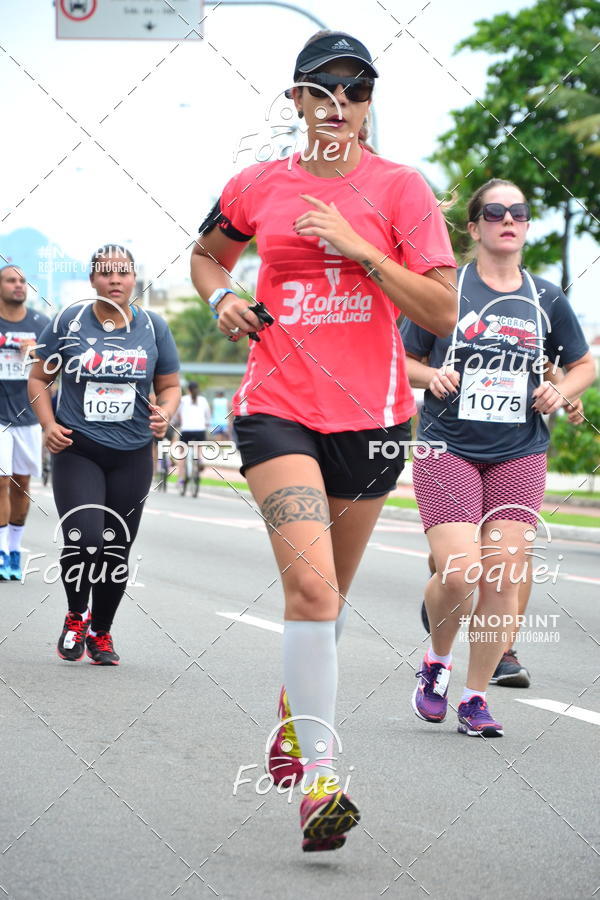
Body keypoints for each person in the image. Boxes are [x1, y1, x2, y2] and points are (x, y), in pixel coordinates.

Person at [191, 30, 457, 850]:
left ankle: (293, 715)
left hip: (372, 420)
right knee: (311, 591)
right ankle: (321, 783)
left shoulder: (402, 190)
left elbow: (440, 311)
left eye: (356, 90)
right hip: (278, 407)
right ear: (297, 100)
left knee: (328, 599)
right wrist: (223, 297)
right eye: (323, 89)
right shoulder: (257, 183)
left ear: (370, 103)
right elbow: (207, 255)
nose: (339, 104)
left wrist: (361, 248)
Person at [400, 178, 595, 736]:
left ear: (527, 225)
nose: (508, 219)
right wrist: (430, 375)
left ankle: (475, 698)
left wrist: (561, 391)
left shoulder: (546, 297)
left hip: (519, 451)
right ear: (473, 226)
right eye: (494, 211)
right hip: (448, 446)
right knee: (461, 573)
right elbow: (399, 359)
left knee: (505, 577)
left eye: (519, 211)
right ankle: (436, 663)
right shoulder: (445, 290)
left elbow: (582, 364)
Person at [28, 245, 181, 665]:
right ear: (92, 279)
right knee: (86, 538)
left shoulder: (153, 327)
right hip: (78, 449)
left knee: (116, 548)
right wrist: (48, 424)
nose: (115, 279)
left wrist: (165, 413)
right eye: (106, 272)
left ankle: (102, 632)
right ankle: (76, 616)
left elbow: (169, 386)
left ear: (134, 278)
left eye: (123, 272)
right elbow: (39, 378)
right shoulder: (69, 322)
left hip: (133, 452)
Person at [420, 385, 585, 689]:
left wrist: (566, 390)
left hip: (518, 445)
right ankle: (443, 576)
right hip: (451, 442)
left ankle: (502, 651)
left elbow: (546, 361)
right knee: (460, 563)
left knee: (512, 559)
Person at [0, 265, 50, 580]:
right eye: (11, 280)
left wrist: (36, 356)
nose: (18, 285)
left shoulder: (41, 324)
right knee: (1, 481)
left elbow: (54, 373)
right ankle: (1, 552)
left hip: (28, 417)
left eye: (22, 281)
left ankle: (14, 550)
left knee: (21, 485)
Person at [173, 381, 211, 494]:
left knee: (182, 455)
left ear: (188, 390)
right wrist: (207, 423)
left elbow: (177, 415)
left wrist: (176, 422)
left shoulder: (183, 400)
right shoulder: (203, 400)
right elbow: (208, 415)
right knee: (198, 448)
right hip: (200, 429)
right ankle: (199, 459)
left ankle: (181, 479)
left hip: (186, 430)